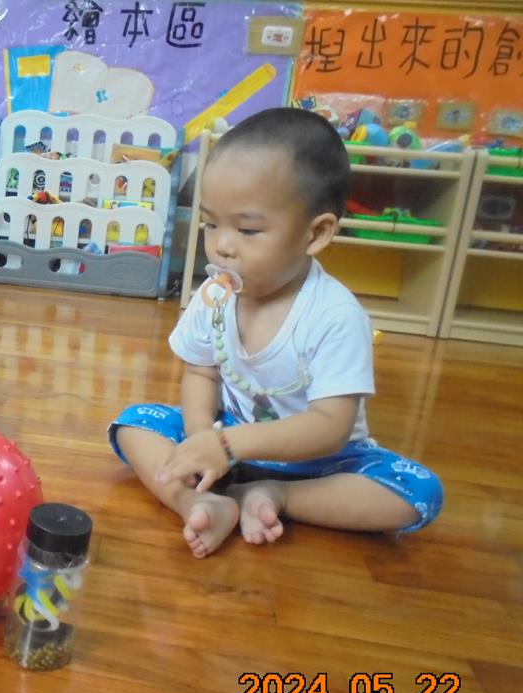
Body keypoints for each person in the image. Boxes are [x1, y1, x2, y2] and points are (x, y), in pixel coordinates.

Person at [108, 108, 443, 558]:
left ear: (315, 234)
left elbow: (330, 427)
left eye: (248, 229)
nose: (222, 245)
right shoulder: (214, 296)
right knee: (134, 424)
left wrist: (228, 446)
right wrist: (201, 440)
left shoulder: (335, 316)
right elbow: (201, 373)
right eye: (211, 223)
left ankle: (273, 495)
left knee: (417, 491)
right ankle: (198, 502)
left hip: (320, 463)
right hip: (227, 442)